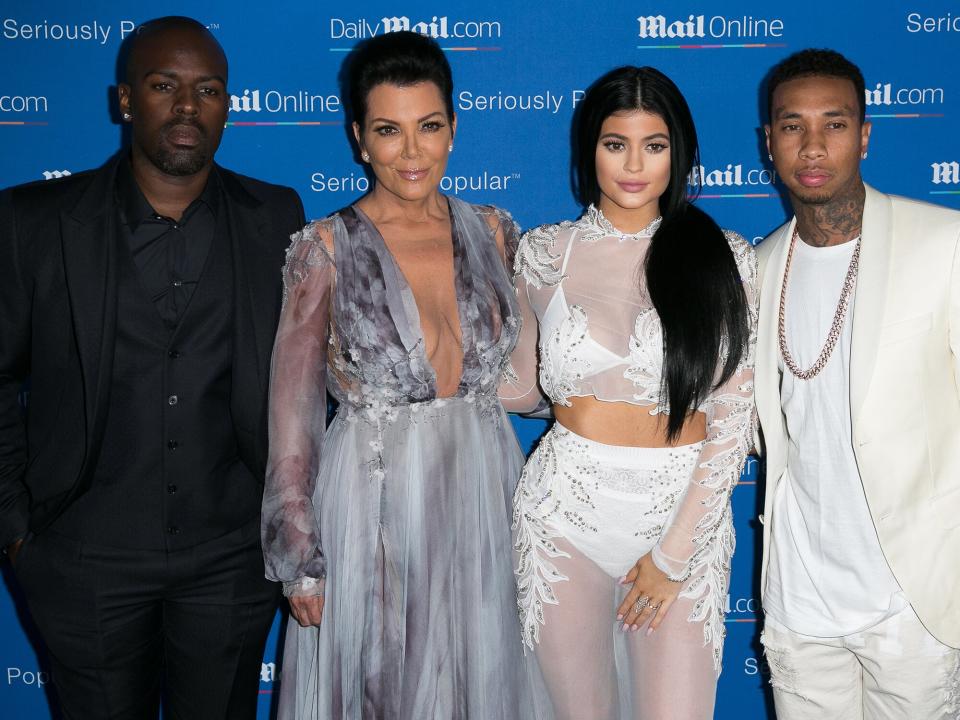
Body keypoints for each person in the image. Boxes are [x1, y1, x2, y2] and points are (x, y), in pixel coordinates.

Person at [0, 16, 305, 719]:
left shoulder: (276, 217)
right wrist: (18, 530)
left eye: (208, 89)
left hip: (230, 556)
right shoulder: (33, 222)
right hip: (83, 560)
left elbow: (301, 380)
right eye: (165, 86)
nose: (188, 106)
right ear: (126, 99)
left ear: (228, 104)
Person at [261, 31, 544, 719]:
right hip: (372, 501)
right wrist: (298, 555)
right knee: (379, 686)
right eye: (389, 130)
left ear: (453, 129)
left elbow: (531, 382)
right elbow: (293, 417)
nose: (412, 152)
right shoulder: (324, 248)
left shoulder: (496, 231)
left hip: (482, 486)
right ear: (359, 139)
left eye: (429, 127)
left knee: (482, 683)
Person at [500, 65, 757, 720]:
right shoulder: (541, 253)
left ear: (681, 151)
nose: (634, 164)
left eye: (655, 144)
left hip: (679, 519)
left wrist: (673, 557)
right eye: (616, 144)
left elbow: (732, 417)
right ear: (590, 149)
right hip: (561, 513)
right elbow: (519, 388)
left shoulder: (725, 257)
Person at [755, 48, 960, 719]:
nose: (813, 146)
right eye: (792, 126)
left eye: (835, 124)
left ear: (865, 134)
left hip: (912, 604)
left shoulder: (942, 243)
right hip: (800, 603)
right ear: (769, 141)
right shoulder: (758, 269)